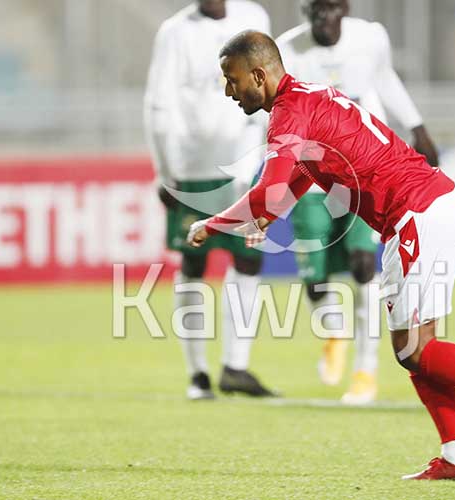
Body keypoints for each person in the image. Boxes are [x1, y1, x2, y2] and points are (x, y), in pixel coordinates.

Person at [188, 30, 455, 481]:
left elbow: (267, 192)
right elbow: (303, 174)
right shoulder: (306, 99)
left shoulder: (289, 112)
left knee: (416, 350)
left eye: (232, 80)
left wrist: (211, 224)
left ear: (259, 74)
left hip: (418, 212)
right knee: (413, 349)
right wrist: (270, 214)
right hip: (422, 210)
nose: (229, 91)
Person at [275, 0, 440, 404]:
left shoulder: (370, 38)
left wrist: (416, 126)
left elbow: (384, 80)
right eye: (318, 9)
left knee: (365, 266)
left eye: (333, 8)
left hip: (362, 171)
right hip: (311, 177)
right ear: (305, 10)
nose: (326, 18)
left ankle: (365, 371)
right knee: (315, 279)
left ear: (345, 8)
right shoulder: (287, 51)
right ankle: (333, 330)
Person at [144, 0, 276, 399]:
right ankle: (197, 374)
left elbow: (272, 88)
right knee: (195, 262)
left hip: (247, 163)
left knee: (249, 259)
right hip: (195, 166)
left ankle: (236, 366)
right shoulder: (175, 32)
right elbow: (158, 104)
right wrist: (165, 172)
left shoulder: (256, 17)